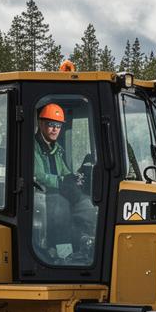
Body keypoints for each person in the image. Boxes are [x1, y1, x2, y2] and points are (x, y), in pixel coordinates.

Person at [32, 102, 95, 261]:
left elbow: (65, 172)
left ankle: (85, 243)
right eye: (51, 125)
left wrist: (74, 178)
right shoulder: (33, 147)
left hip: (59, 191)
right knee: (61, 206)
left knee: (87, 205)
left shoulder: (56, 149)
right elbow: (39, 175)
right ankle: (62, 253)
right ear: (41, 124)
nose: (55, 129)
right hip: (42, 193)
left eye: (58, 126)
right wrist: (61, 181)